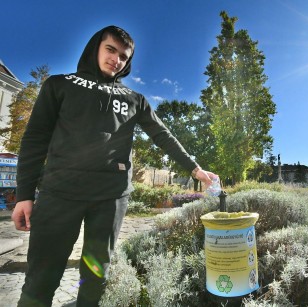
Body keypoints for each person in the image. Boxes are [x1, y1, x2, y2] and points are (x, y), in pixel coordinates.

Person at [11, 25, 216, 306]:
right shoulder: (60, 84)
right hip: (59, 193)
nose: (116, 59)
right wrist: (24, 195)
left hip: (110, 197)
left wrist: (195, 169)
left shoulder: (134, 100)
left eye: (124, 56)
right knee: (41, 278)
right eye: (111, 49)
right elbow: (34, 139)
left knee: (96, 277)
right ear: (96, 47)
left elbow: (162, 135)